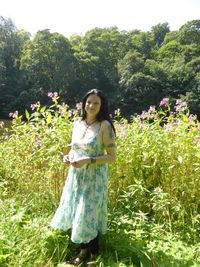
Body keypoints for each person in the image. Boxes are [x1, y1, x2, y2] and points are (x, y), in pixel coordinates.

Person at [50, 89, 117, 266]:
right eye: (89, 102)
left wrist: (88, 159)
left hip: (94, 177)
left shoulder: (104, 126)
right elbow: (74, 148)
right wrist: (69, 157)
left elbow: (112, 157)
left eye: (96, 103)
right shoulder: (78, 124)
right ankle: (87, 251)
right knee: (77, 210)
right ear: (83, 103)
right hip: (77, 175)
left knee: (88, 213)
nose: (91, 106)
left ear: (102, 106)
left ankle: (90, 253)